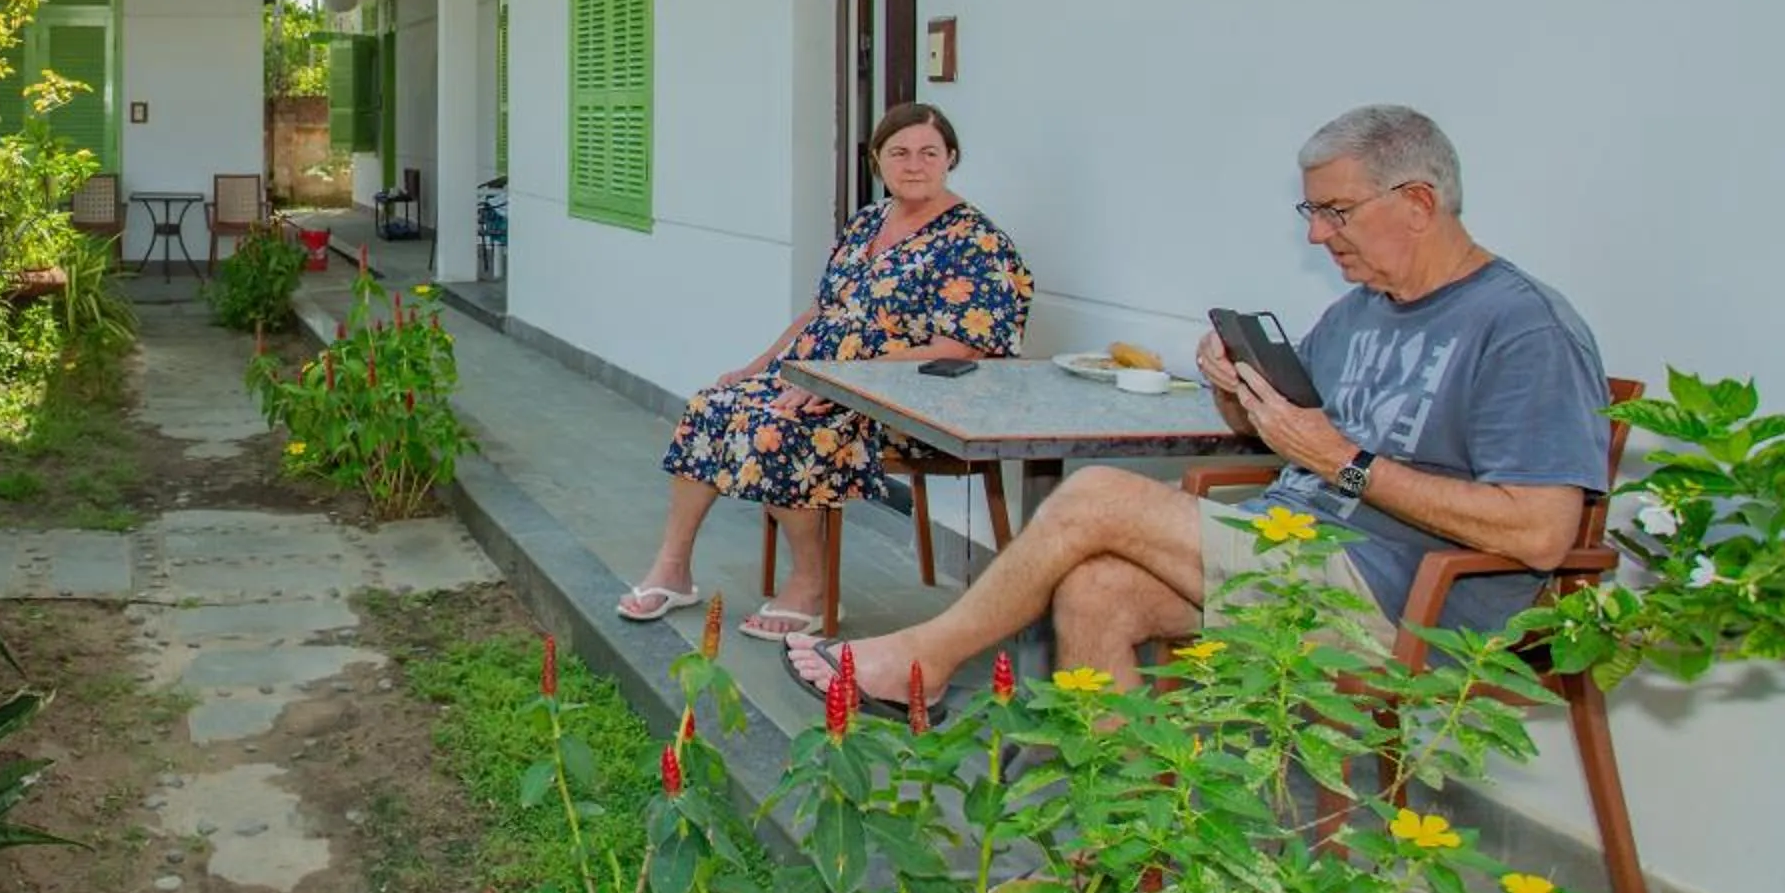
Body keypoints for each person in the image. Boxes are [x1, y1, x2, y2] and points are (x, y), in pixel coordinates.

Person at [784, 104, 1610, 705]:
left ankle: (927, 657)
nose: (1319, 236)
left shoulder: (1522, 328)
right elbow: (1290, 431)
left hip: (1409, 602)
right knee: (1096, 589)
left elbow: (1538, 532)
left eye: (1337, 211)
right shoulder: (1362, 310)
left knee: (1100, 493)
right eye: (1311, 212)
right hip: (1291, 549)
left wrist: (1343, 463)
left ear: (1420, 203)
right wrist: (1236, 391)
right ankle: (1118, 844)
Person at [618, 103, 1033, 641]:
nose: (914, 164)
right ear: (877, 159)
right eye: (899, 152)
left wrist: (840, 384)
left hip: (902, 397)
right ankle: (673, 569)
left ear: (950, 158)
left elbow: (961, 348)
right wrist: (758, 366)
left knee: (779, 429)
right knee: (711, 407)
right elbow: (820, 311)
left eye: (929, 153)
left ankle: (811, 588)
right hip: (820, 377)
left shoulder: (975, 241)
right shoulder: (868, 221)